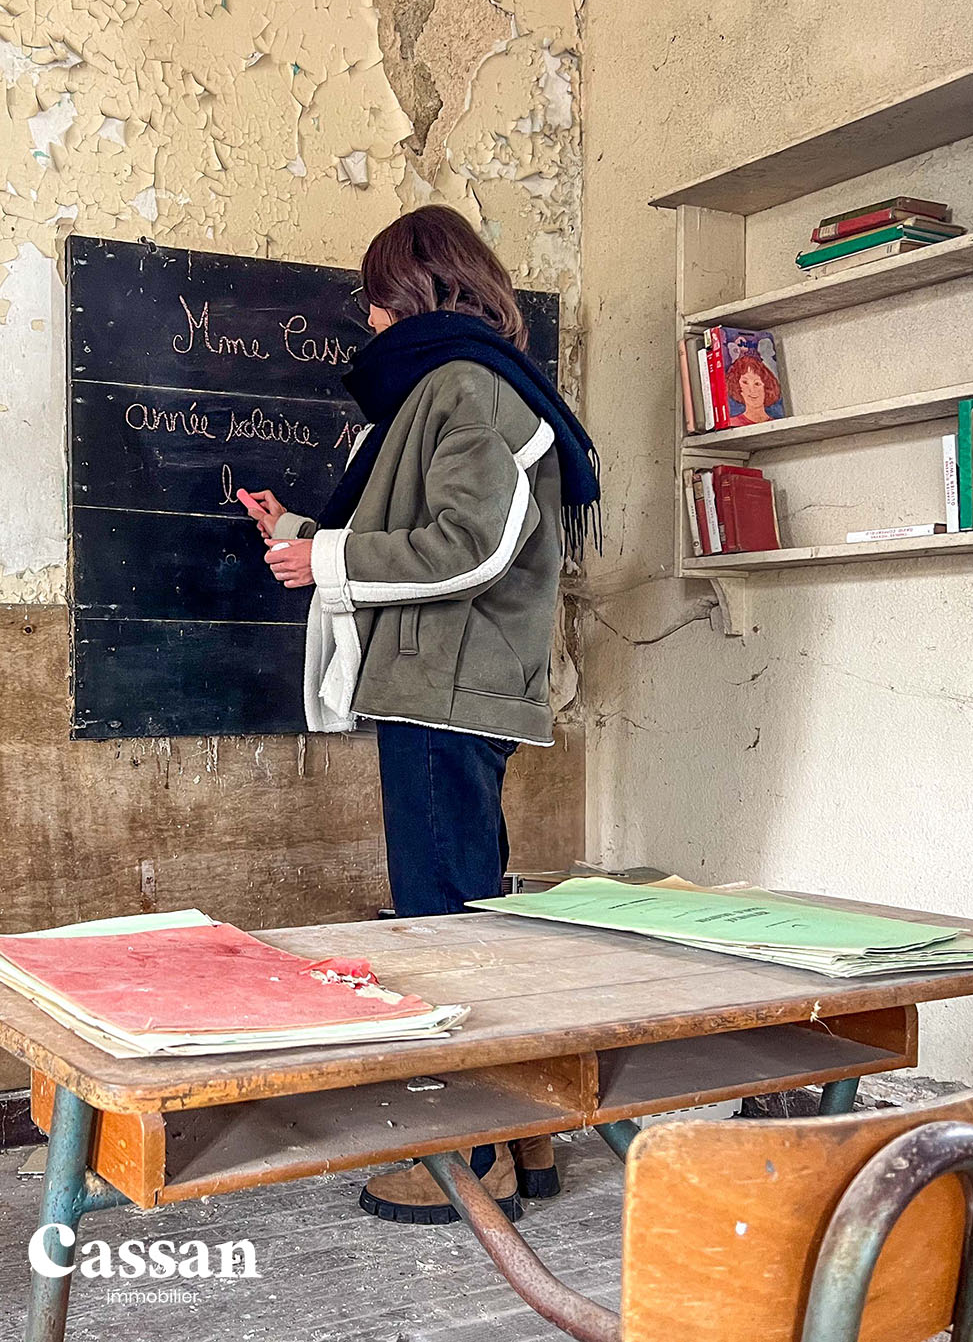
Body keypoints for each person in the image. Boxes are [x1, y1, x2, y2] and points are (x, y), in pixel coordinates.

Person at [237, 204, 600, 1225]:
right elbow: (435, 533)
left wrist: (329, 558)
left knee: (445, 927)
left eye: (375, 292)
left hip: (446, 686)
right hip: (450, 684)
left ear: (412, 288)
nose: (367, 313)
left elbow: (470, 543)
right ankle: (521, 1129)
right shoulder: (467, 381)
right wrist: (307, 534)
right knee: (469, 912)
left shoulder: (461, 382)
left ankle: (470, 1149)